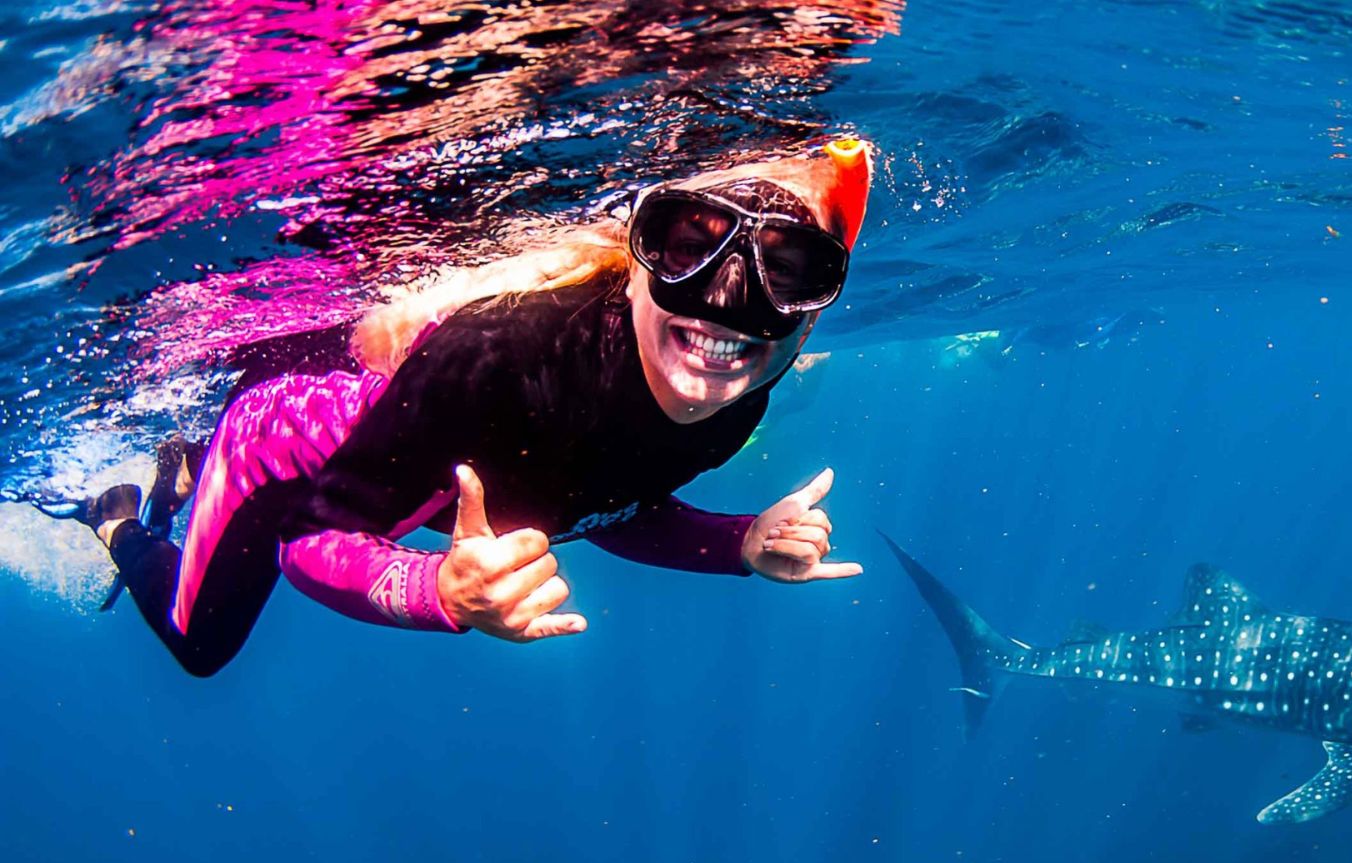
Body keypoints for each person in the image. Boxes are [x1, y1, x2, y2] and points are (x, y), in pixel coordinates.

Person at [48, 138, 875, 677]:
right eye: (690, 249)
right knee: (201, 646)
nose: (727, 313)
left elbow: (605, 506)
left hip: (405, 461)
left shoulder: (732, 397)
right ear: (634, 262)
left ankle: (177, 470)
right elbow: (314, 538)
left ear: (814, 313)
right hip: (284, 455)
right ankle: (118, 515)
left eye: (790, 273)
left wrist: (740, 545)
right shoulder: (503, 361)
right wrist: (437, 590)